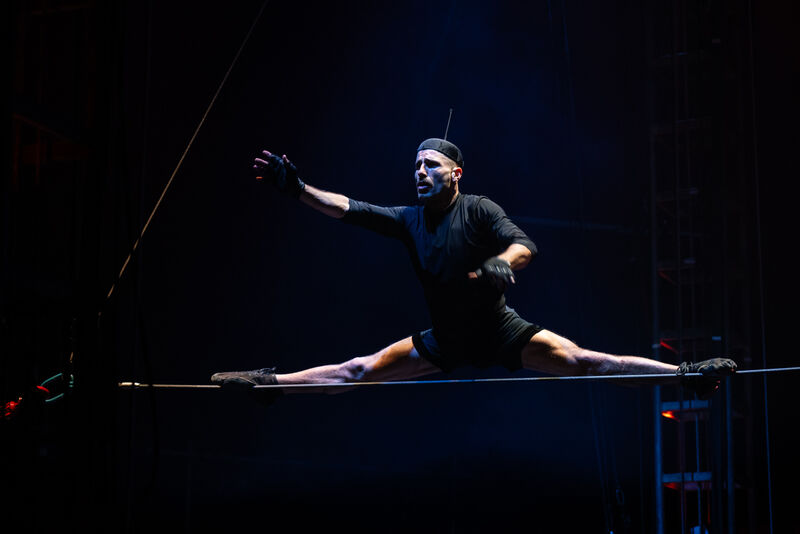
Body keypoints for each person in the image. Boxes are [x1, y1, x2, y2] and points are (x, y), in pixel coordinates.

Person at [211, 138, 736, 400]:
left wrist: (497, 267)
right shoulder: (407, 219)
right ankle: (266, 383)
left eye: (430, 165)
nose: (419, 171)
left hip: (500, 329)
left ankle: (685, 375)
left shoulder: (479, 208)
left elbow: (524, 246)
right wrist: (299, 190)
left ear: (455, 172)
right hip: (447, 338)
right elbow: (348, 208)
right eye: (415, 166)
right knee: (359, 371)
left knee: (585, 361)